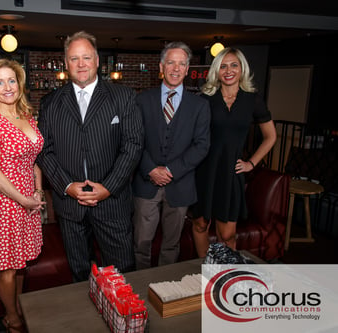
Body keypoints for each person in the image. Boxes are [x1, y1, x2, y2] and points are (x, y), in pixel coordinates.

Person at [36, 31, 143, 282]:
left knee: (122, 272)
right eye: (74, 58)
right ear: (65, 63)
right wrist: (66, 186)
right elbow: (44, 150)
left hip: (112, 204)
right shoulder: (51, 103)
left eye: (86, 57)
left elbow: (133, 145)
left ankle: (123, 320)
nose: (81, 64)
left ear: (97, 60)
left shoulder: (123, 97)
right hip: (70, 207)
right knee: (79, 275)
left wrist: (108, 187)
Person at [0, 58, 45, 333]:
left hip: (28, 199)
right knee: (7, 267)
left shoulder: (26, 116)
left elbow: (33, 161)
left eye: (11, 80)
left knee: (21, 264)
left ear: (19, 84)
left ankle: (19, 307)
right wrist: (25, 199)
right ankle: (12, 317)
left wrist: (38, 191)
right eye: (0, 82)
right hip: (6, 203)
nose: (7, 87)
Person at [132, 41, 211, 269]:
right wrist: (150, 169)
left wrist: (171, 171)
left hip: (181, 184)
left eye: (181, 64)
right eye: (171, 63)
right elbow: (134, 140)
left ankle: (163, 288)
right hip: (146, 184)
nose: (176, 68)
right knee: (141, 242)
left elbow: (202, 145)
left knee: (171, 244)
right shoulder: (142, 100)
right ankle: (140, 289)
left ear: (187, 69)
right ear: (161, 66)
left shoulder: (199, 106)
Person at [191, 47, 277, 257]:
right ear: (216, 71)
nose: (228, 70)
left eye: (233, 65)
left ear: (242, 69)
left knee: (227, 234)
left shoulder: (252, 100)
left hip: (231, 173)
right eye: (223, 66)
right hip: (205, 170)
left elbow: (271, 136)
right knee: (201, 224)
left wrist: (251, 163)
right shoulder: (205, 98)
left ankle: (225, 277)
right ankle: (204, 270)